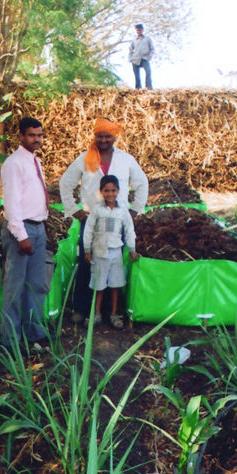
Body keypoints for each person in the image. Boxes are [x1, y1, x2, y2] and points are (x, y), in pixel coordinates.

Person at [59, 117, 148, 326]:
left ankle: (111, 310)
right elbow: (65, 183)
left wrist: (134, 211)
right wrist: (75, 211)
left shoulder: (125, 160)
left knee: (115, 263)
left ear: (114, 137)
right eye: (100, 135)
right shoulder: (84, 159)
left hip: (118, 221)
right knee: (86, 263)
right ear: (95, 136)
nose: (104, 139)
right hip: (91, 221)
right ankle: (82, 309)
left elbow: (142, 183)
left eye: (108, 136)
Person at [0, 116, 50, 349]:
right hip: (22, 230)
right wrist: (21, 236)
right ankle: (11, 341)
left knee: (36, 285)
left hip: (38, 227)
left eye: (39, 135)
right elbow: (11, 204)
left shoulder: (35, 162)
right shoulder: (13, 163)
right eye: (32, 135)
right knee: (15, 286)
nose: (37, 139)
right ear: (20, 136)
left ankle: (34, 333)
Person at [84, 175, 139, 330]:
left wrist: (132, 249)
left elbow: (129, 230)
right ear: (101, 192)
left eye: (113, 190)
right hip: (99, 252)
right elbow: (88, 230)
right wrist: (87, 250)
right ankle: (96, 314)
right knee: (98, 285)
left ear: (118, 191)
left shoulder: (122, 211)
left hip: (116, 252)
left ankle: (114, 314)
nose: (110, 194)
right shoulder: (97, 210)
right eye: (106, 190)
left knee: (116, 284)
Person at [128, 23, 154, 89]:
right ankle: (138, 88)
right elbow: (130, 50)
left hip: (144, 58)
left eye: (139, 30)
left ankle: (148, 87)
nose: (138, 31)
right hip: (135, 59)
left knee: (148, 72)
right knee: (137, 75)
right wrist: (130, 59)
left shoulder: (147, 39)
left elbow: (152, 49)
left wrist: (149, 57)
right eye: (137, 30)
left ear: (142, 30)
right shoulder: (134, 40)